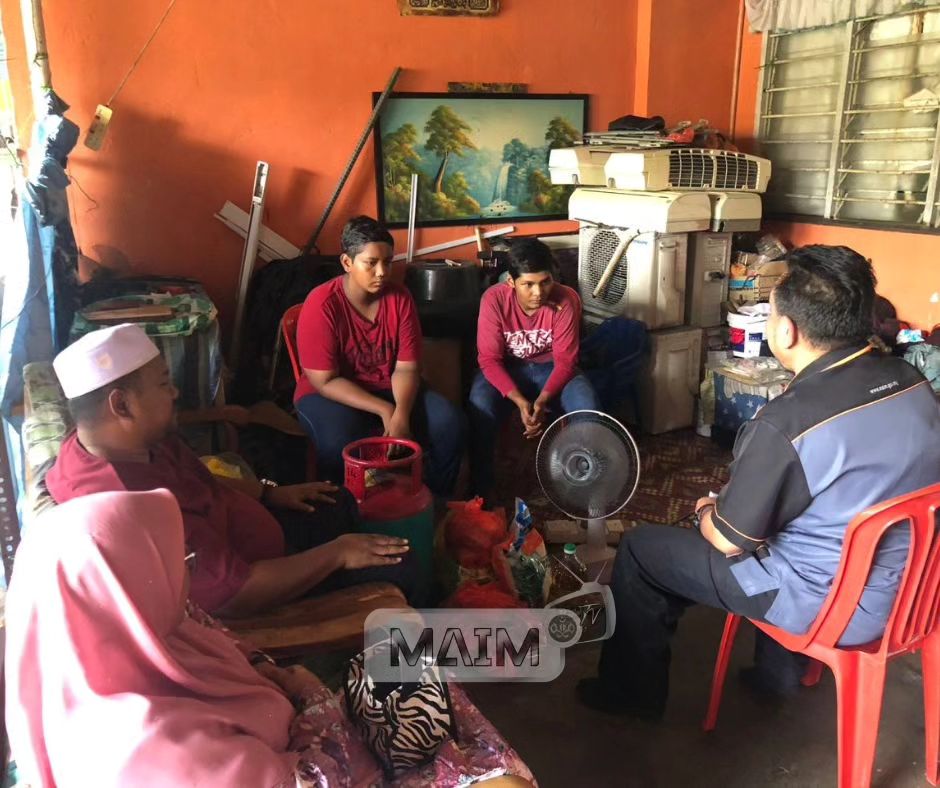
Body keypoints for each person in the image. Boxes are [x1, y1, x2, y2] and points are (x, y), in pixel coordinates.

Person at [577, 245, 940, 720]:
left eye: (769, 313)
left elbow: (730, 540)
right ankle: (776, 676)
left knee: (643, 551)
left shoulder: (786, 422)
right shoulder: (911, 378)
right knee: (801, 527)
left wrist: (707, 512)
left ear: (787, 330)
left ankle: (630, 696)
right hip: (916, 592)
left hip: (834, 606)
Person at [5, 489, 537, 787]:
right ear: (125, 591)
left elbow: (235, 646)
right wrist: (310, 697)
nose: (187, 571)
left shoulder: (144, 635)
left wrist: (276, 676)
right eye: (175, 561)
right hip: (320, 763)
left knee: (411, 659)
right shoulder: (153, 751)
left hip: (302, 725)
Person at [45, 323, 413, 616]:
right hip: (262, 587)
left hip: (256, 534)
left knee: (339, 499)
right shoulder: (132, 509)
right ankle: (415, 667)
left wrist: (270, 493)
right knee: (400, 570)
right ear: (122, 405)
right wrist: (336, 554)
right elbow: (235, 594)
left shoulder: (127, 442)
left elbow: (198, 481)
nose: (174, 393)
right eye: (164, 383)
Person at [293, 216, 465, 498]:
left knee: (449, 424)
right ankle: (345, 510)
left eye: (387, 261)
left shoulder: (400, 298)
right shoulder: (322, 303)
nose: (382, 272)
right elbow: (325, 380)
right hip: (330, 393)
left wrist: (401, 413)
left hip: (388, 386)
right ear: (347, 263)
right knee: (339, 443)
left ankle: (433, 502)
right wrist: (386, 411)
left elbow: (407, 368)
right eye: (371, 263)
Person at [468, 237, 599, 502]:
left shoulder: (567, 299)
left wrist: (541, 402)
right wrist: (520, 401)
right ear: (511, 282)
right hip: (507, 368)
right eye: (528, 284)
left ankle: (580, 484)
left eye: (545, 282)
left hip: (552, 367)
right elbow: (490, 360)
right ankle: (482, 489)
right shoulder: (493, 299)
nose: (538, 292)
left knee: (587, 407)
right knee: (480, 405)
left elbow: (566, 362)